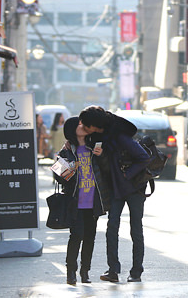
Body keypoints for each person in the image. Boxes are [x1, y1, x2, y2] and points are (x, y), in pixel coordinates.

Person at [79, 106, 151, 283]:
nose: (85, 128)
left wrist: (127, 174)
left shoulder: (119, 136)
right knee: (112, 228)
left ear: (95, 125)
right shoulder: (98, 138)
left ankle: (136, 272)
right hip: (116, 188)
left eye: (87, 125)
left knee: (136, 229)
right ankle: (113, 270)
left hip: (134, 188)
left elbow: (144, 157)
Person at [54, 114, 110, 285]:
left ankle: (85, 271)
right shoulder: (66, 151)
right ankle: (71, 271)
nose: (83, 126)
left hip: (93, 200)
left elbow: (106, 171)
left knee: (90, 237)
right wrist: (71, 167)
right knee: (76, 235)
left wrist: (102, 156)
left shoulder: (94, 148)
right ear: (72, 129)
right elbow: (58, 177)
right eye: (79, 124)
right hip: (75, 201)